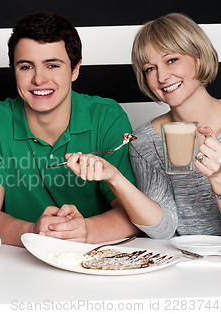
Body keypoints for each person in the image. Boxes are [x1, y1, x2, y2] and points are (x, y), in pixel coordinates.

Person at [0, 11, 140, 247]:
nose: (39, 79)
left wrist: (85, 231)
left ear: (75, 69)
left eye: (52, 65)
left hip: (94, 257)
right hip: (17, 261)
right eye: (26, 67)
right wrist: (32, 231)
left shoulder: (106, 116)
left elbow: (132, 212)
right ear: (13, 70)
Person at [65, 13, 221, 238]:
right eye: (150, 68)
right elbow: (163, 229)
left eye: (171, 60)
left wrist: (217, 179)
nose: (162, 76)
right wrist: (115, 178)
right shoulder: (146, 141)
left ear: (198, 57)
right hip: (183, 266)